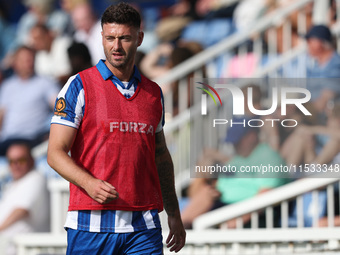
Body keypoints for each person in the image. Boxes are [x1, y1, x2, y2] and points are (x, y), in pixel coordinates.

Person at [47, 3, 186, 254]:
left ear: (140, 38)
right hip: (90, 225)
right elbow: (55, 153)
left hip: (144, 226)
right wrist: (88, 183)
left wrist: (174, 213)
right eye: (110, 38)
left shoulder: (154, 93)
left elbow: (161, 156)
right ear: (101, 37)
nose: (116, 46)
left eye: (124, 38)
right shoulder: (79, 85)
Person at [0, 46, 59, 155]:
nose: (29, 63)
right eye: (24, 60)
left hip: (31, 139)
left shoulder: (45, 82)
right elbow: (1, 116)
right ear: (15, 63)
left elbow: (59, 107)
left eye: (31, 59)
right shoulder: (7, 86)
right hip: (7, 140)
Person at [0, 142, 50, 255]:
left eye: (21, 160)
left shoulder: (36, 178)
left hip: (24, 248)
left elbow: (21, 210)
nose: (16, 165)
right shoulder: (14, 183)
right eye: (11, 161)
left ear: (32, 160)